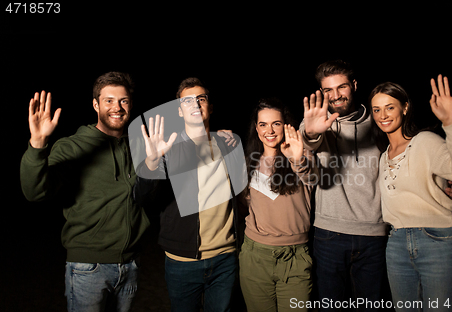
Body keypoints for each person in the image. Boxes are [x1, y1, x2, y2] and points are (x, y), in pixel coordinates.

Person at [20, 72, 150, 312]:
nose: (117, 107)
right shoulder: (73, 146)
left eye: (123, 101)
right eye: (109, 100)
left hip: (130, 264)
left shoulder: (139, 146)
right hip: (88, 266)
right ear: (95, 104)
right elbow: (34, 191)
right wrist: (37, 145)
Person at [133, 77, 246, 312]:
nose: (195, 105)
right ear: (180, 111)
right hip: (182, 261)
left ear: (210, 107)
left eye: (201, 99)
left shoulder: (229, 145)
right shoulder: (167, 149)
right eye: (187, 101)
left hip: (226, 257)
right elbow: (142, 198)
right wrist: (152, 163)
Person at [369, 75, 452, 311]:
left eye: (390, 107)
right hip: (396, 243)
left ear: (405, 107)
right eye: (376, 109)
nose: (383, 115)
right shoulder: (382, 155)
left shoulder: (425, 141)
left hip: (437, 240)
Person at [299, 60, 387, 311]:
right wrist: (311, 135)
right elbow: (307, 174)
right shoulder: (313, 122)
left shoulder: (380, 121)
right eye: (328, 90)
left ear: (354, 85)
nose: (335, 95)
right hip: (329, 234)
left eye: (342, 87)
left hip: (374, 233)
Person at [239, 98, 317, 312]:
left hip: (295, 257)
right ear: (256, 128)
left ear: (286, 125)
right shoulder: (248, 162)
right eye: (263, 124)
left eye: (276, 123)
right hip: (255, 257)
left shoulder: (301, 154)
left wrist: (297, 159)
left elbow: (313, 179)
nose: (269, 130)